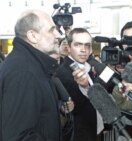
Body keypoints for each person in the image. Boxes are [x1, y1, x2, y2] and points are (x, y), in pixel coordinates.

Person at [0, 9, 73, 141]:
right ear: (33, 36)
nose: (58, 35)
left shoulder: (33, 65)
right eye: (51, 30)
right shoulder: (23, 72)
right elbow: (18, 136)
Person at [56, 28, 104, 141]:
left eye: (87, 45)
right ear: (68, 47)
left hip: (94, 129)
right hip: (79, 134)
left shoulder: (89, 66)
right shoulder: (63, 73)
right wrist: (84, 86)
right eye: (78, 45)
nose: (83, 50)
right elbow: (74, 107)